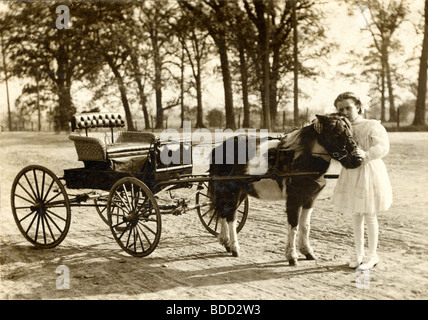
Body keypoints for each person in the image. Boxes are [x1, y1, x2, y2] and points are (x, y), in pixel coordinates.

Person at [315, 92, 393, 270]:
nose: (345, 112)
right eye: (340, 109)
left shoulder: (371, 125)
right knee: (356, 215)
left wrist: (366, 155)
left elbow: (383, 147)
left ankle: (372, 255)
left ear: (358, 107)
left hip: (369, 169)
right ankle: (358, 254)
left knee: (369, 213)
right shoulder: (339, 127)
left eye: (348, 108)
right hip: (351, 171)